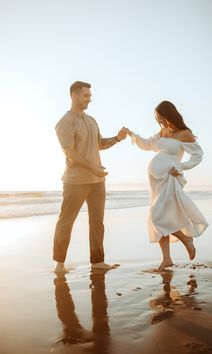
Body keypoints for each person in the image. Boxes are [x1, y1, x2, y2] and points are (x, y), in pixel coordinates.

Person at [53, 81, 127, 274]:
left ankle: (97, 261)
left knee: (97, 222)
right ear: (74, 95)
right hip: (75, 181)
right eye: (86, 96)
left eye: (90, 96)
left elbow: (99, 144)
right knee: (66, 221)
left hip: (97, 181)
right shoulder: (65, 122)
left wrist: (118, 138)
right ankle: (59, 263)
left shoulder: (92, 120)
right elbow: (69, 152)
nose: (89, 99)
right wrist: (92, 167)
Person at [125, 101, 208, 272]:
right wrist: (131, 134)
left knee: (157, 216)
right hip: (155, 181)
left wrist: (180, 167)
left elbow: (198, 155)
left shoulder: (185, 134)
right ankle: (167, 259)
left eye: (162, 117)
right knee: (159, 218)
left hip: (169, 179)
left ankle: (187, 240)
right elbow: (147, 144)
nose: (160, 121)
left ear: (169, 114)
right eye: (158, 118)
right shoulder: (163, 132)